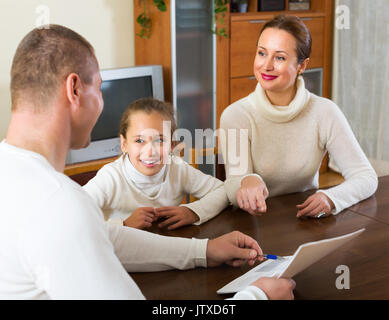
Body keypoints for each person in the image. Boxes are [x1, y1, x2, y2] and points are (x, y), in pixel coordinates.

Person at [0, 24, 295, 300]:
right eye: (99, 88)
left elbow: (109, 237)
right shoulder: (60, 203)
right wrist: (258, 295)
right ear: (74, 89)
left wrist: (204, 250)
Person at [220, 15, 378, 218]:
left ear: (302, 66)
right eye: (262, 53)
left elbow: (365, 177)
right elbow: (234, 187)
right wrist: (246, 181)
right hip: (253, 224)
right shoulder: (236, 115)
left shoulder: (325, 112)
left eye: (280, 57)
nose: (266, 66)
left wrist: (330, 198)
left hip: (306, 220)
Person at [83, 97, 228, 230]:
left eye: (160, 140)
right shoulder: (110, 178)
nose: (150, 152)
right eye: (139, 140)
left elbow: (223, 191)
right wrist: (124, 224)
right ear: (124, 144)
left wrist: (193, 212)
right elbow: (72, 217)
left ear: (172, 146)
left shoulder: (177, 168)